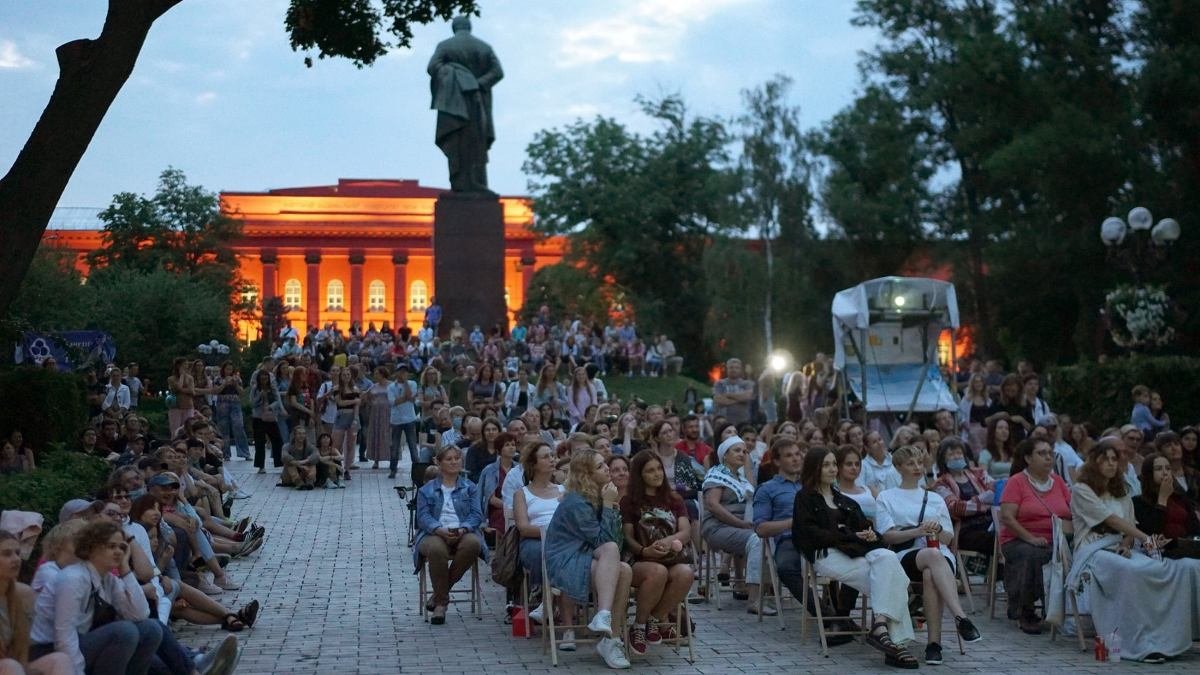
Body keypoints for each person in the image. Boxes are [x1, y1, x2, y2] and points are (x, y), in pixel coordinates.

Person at [1067, 441, 1200, 663]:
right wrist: (1145, 538)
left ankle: (1160, 638)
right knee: (1132, 572)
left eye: (1114, 459)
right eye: (1105, 459)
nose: (1111, 464)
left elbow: (1128, 523)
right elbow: (1111, 520)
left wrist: (1127, 543)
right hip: (1093, 549)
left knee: (1157, 569)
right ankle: (1134, 642)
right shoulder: (1082, 490)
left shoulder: (1122, 490)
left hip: (1119, 547)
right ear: (1094, 463)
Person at [792, 447, 918, 669]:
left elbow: (864, 528)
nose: (833, 469)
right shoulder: (805, 498)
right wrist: (849, 534)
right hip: (827, 555)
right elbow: (808, 534)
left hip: (856, 553)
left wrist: (870, 534)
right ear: (815, 468)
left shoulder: (843, 500)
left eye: (833, 464)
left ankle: (880, 626)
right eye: (827, 465)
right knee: (892, 581)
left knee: (887, 557)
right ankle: (896, 644)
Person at [876, 445, 981, 665]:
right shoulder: (887, 496)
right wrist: (919, 531)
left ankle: (934, 645)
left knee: (930, 572)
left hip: (938, 556)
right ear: (898, 467)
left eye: (919, 462)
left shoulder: (934, 498)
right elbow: (887, 536)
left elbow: (948, 539)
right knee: (933, 556)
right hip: (903, 555)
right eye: (910, 463)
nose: (917, 467)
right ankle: (960, 617)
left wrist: (938, 530)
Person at [28, 521, 162, 675]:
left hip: (79, 643)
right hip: (50, 650)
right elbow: (64, 633)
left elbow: (140, 614)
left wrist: (124, 568)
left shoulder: (108, 579)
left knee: (151, 629)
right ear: (91, 548)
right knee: (124, 632)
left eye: (122, 547)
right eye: (111, 546)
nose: (118, 552)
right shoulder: (73, 578)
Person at [543, 448, 633, 669]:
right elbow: (604, 540)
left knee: (625, 569)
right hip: (566, 559)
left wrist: (609, 503)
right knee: (618, 562)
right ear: (586, 474)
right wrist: (611, 506)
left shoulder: (599, 495)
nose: (607, 469)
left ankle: (608, 632)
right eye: (601, 466)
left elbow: (613, 545)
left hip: (590, 555)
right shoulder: (576, 501)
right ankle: (608, 635)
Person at [619, 450, 694, 654]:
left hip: (671, 556)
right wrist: (646, 550)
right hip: (640, 560)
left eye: (659, 468)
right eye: (650, 470)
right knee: (657, 572)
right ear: (639, 475)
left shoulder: (674, 499)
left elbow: (686, 531)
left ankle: (655, 619)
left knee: (686, 573)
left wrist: (670, 541)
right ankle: (639, 626)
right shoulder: (629, 502)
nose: (657, 474)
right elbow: (627, 537)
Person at [998, 438, 1072, 633]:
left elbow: (1072, 511)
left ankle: (1068, 610)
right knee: (1031, 554)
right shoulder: (1017, 482)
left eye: (1050, 453)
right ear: (1028, 458)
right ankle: (1025, 611)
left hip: (1056, 541)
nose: (1048, 457)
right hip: (1018, 539)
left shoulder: (1059, 482)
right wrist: (1030, 538)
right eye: (1042, 453)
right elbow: (1007, 517)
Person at [413, 446, 485, 626]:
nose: (454, 462)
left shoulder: (470, 488)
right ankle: (441, 605)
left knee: (473, 544)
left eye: (457, 458)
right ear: (439, 462)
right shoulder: (426, 490)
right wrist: (439, 529)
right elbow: (422, 517)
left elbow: (476, 515)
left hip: (462, 531)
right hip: (434, 532)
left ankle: (438, 596)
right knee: (436, 549)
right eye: (449, 459)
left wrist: (463, 529)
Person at [701, 436, 767, 614]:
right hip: (717, 527)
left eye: (745, 451)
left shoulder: (740, 478)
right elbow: (713, 506)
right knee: (757, 541)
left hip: (740, 526)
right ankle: (754, 600)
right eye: (737, 450)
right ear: (724, 455)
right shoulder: (717, 474)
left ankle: (767, 590)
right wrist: (741, 524)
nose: (742, 454)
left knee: (770, 537)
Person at [0, 531, 73, 675]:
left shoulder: (21, 595)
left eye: (17, 553)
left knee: (60, 660)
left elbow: (21, 652)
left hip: (13, 665)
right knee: (10, 666)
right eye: (6, 554)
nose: (16, 559)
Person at [512, 441, 565, 625]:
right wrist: (552, 531)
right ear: (533, 464)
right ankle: (551, 600)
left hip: (564, 540)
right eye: (545, 456)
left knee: (566, 552)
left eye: (552, 455)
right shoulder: (522, 493)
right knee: (543, 552)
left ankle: (547, 603)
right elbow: (524, 528)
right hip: (535, 539)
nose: (551, 459)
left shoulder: (563, 490)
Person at [931, 438, 995, 554]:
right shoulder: (941, 484)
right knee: (996, 539)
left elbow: (995, 490)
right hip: (966, 529)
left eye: (959, 453)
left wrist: (973, 504)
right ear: (943, 459)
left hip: (990, 521)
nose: (956, 457)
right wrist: (983, 502)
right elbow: (955, 508)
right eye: (951, 454)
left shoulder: (979, 473)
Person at [1133, 451, 1200, 559]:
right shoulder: (1138, 502)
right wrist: (1162, 498)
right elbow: (1151, 531)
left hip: (1187, 545)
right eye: (1159, 469)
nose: (1165, 473)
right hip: (1158, 550)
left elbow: (1195, 528)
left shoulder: (1180, 498)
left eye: (1168, 468)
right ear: (1149, 473)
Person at [250, 368, 285, 473]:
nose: (264, 379)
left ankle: (279, 462)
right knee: (259, 442)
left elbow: (277, 400)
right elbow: (252, 403)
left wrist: (271, 406)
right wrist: (260, 396)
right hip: (258, 417)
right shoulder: (255, 389)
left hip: (270, 417)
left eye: (266, 377)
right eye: (262, 377)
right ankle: (261, 466)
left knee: (277, 440)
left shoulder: (272, 388)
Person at [835, 445, 877, 522]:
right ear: (839, 467)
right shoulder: (834, 493)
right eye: (849, 464)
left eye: (857, 464)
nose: (854, 468)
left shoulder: (868, 489)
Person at [712, 359, 754, 426]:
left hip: (743, 422)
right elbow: (718, 399)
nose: (734, 370)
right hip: (723, 423)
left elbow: (747, 397)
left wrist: (727, 395)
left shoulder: (747, 384)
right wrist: (739, 399)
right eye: (731, 367)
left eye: (736, 368)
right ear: (727, 369)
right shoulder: (719, 383)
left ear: (740, 369)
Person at [978, 416, 1014, 480]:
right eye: (1000, 428)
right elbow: (983, 477)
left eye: (1007, 428)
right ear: (993, 431)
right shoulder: (985, 453)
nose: (1004, 431)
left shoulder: (1011, 453)